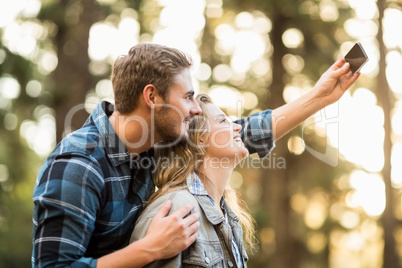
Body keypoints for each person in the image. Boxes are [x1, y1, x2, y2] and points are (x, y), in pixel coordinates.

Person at [32, 42, 359, 267]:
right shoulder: (79, 163)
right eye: (188, 97)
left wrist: (319, 97)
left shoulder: (151, 145)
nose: (194, 108)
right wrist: (147, 250)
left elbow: (233, 134)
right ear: (152, 97)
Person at [130, 94, 255, 267]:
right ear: (200, 139)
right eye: (223, 121)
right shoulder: (176, 208)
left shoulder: (227, 214)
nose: (237, 128)